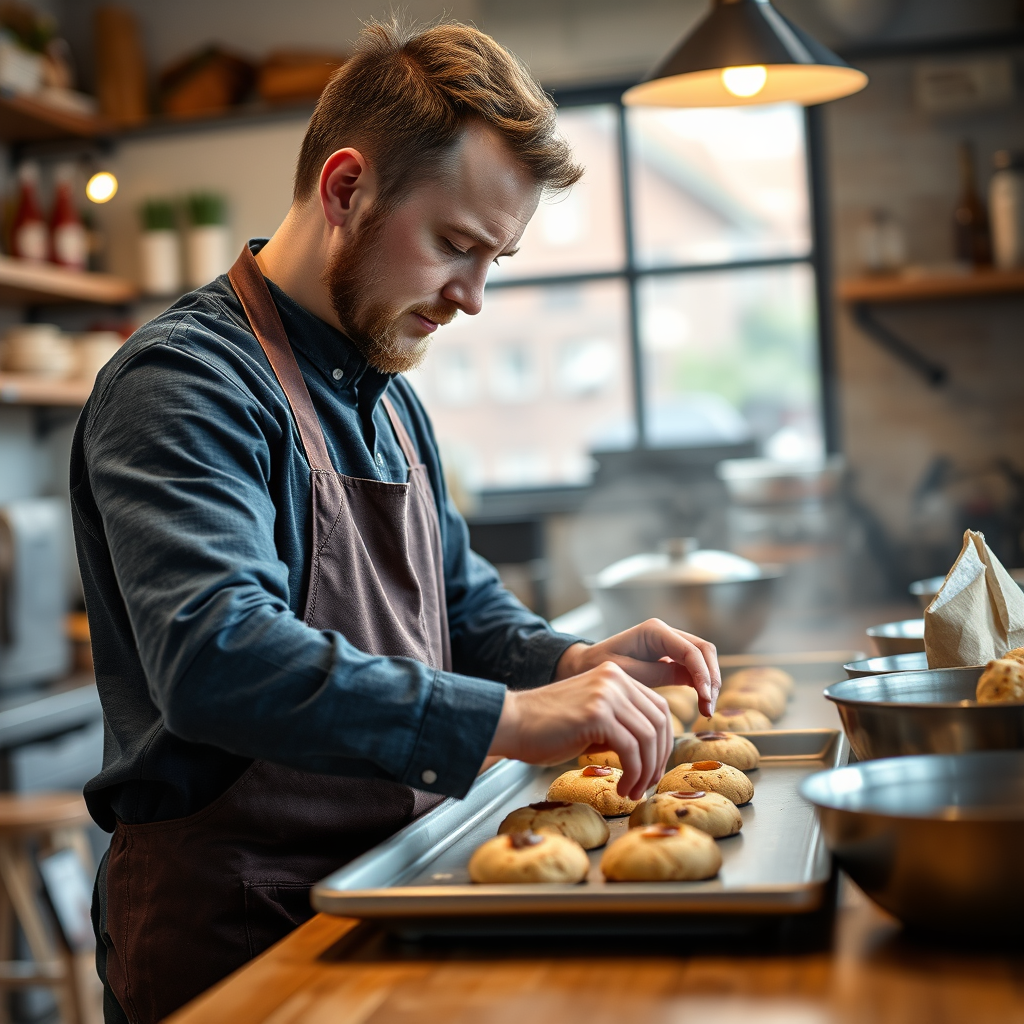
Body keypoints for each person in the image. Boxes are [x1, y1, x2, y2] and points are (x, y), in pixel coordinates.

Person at [70, 19, 720, 1024]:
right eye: (456, 245)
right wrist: (510, 719)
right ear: (344, 190)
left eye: (493, 260)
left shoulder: (385, 392)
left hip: (396, 886)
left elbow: (456, 606)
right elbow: (216, 654)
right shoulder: (184, 384)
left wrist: (573, 661)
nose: (469, 298)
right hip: (244, 938)